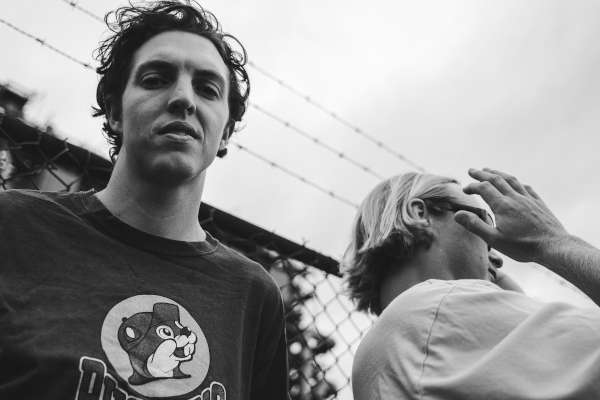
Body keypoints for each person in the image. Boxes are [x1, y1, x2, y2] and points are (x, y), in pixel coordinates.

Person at [0, 2, 288, 399]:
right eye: (156, 79)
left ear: (225, 132)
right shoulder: (15, 227)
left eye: (208, 89)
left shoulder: (253, 295)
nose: (183, 99)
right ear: (114, 110)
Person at [343, 167, 600, 400]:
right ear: (420, 213)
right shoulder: (436, 311)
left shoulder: (393, 348)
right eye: (484, 222)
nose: (497, 256)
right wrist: (552, 241)